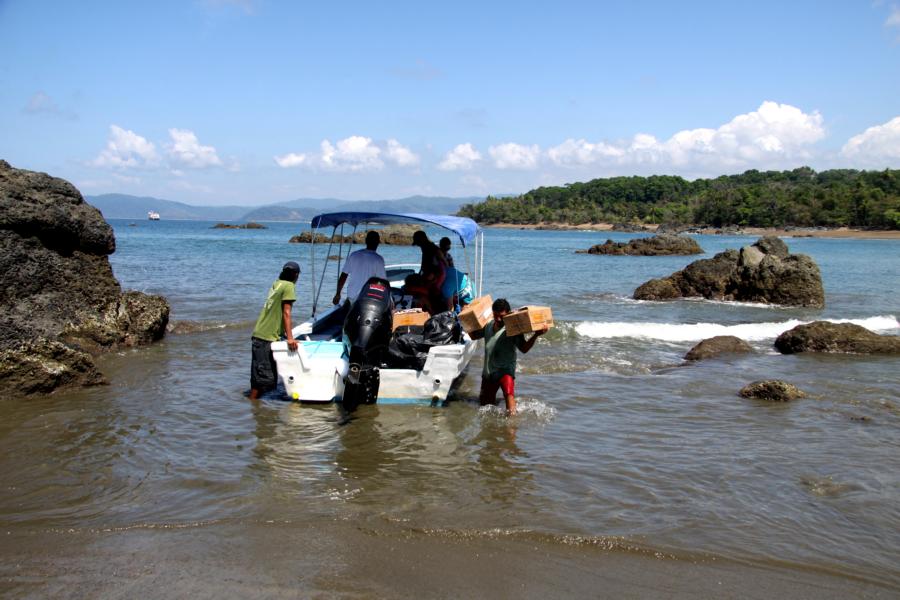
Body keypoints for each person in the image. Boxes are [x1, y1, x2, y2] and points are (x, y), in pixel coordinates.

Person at [479, 298, 547, 416]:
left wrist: (536, 335)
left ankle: (511, 430)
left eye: (502, 316)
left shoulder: (513, 329)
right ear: (492, 313)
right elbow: (473, 334)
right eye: (496, 315)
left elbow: (524, 348)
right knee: (484, 407)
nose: (498, 319)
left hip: (505, 371)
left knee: (510, 402)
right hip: (489, 372)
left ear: (508, 314)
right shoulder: (488, 326)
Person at [250, 261, 300, 400]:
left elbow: (275, 311)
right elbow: (286, 313)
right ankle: (254, 405)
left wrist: (283, 333)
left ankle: (254, 406)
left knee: (259, 377)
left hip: (259, 334)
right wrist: (290, 338)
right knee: (265, 379)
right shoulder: (289, 286)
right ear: (296, 275)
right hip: (266, 337)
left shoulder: (277, 283)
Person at [333, 231, 386, 306]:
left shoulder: (354, 255)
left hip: (352, 298)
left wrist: (338, 294)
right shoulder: (378, 259)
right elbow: (383, 283)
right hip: (367, 299)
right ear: (378, 242)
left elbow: (343, 276)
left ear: (366, 241)